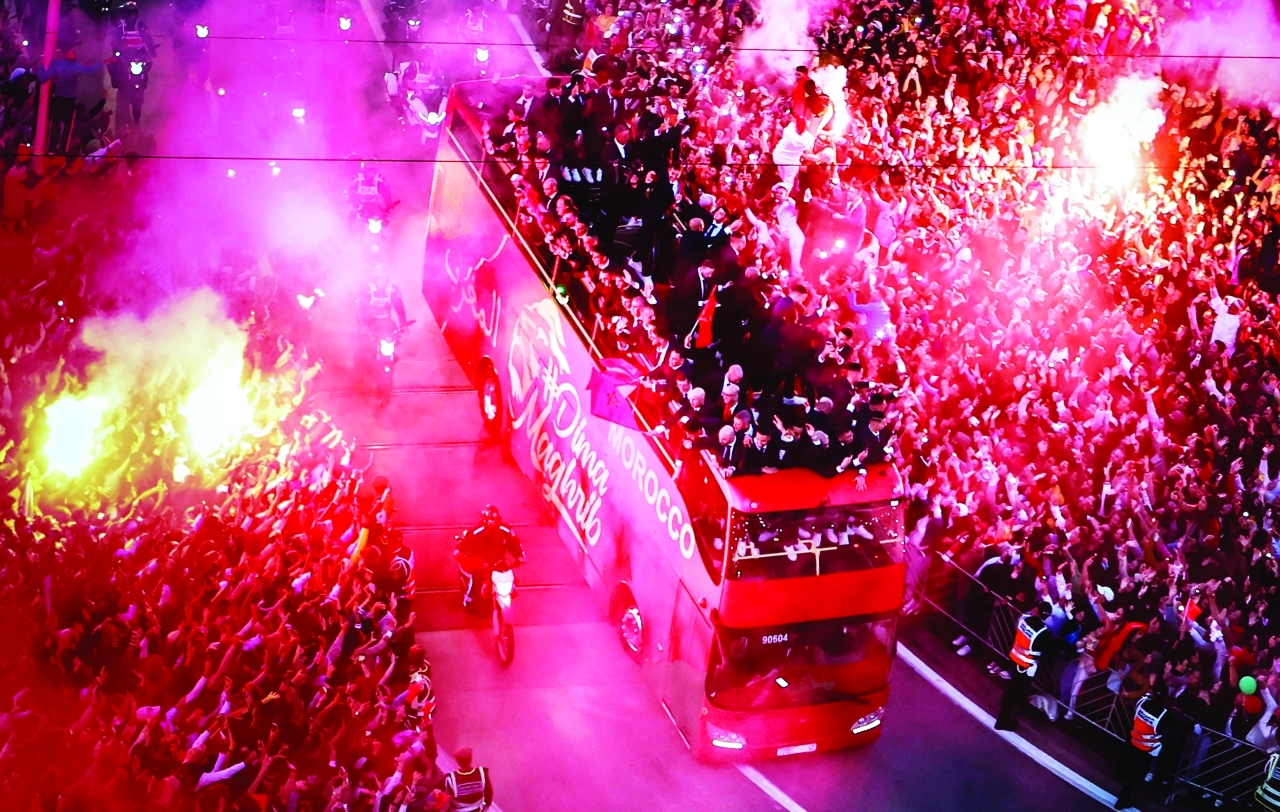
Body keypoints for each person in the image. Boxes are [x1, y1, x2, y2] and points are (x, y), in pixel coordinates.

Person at [1114, 687, 1198, 810]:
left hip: (1132, 741)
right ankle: (1122, 801)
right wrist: (1193, 727)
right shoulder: (1164, 715)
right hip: (1146, 750)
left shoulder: (1142, 702)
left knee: (1124, 763)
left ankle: (1117, 776)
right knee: (1135, 777)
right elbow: (1181, 728)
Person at [994, 600, 1050, 732]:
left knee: (1012, 687)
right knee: (1015, 692)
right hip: (1025, 666)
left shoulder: (1024, 619)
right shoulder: (1043, 632)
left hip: (1014, 658)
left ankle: (1006, 701)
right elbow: (1046, 648)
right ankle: (1001, 721)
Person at [455, 505, 525, 609]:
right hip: (482, 564)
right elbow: (464, 545)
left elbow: (514, 544)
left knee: (512, 579)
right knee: (475, 582)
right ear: (485, 520)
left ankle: (505, 596)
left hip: (499, 562)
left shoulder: (505, 530)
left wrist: (520, 556)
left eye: (496, 520)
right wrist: (460, 552)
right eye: (491, 520)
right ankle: (468, 600)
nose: (493, 522)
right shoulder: (476, 532)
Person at [442, 747, 493, 812]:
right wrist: (484, 806)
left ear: (457, 761)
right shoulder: (482, 773)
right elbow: (489, 794)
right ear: (471, 758)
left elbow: (437, 793)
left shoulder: (450, 778)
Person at [359, 268, 409, 332]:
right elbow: (362, 307)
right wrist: (363, 324)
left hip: (387, 322)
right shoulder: (368, 290)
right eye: (379, 279)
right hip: (370, 322)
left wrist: (403, 324)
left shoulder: (393, 290)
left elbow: (399, 307)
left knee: (395, 334)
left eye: (384, 279)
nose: (381, 282)